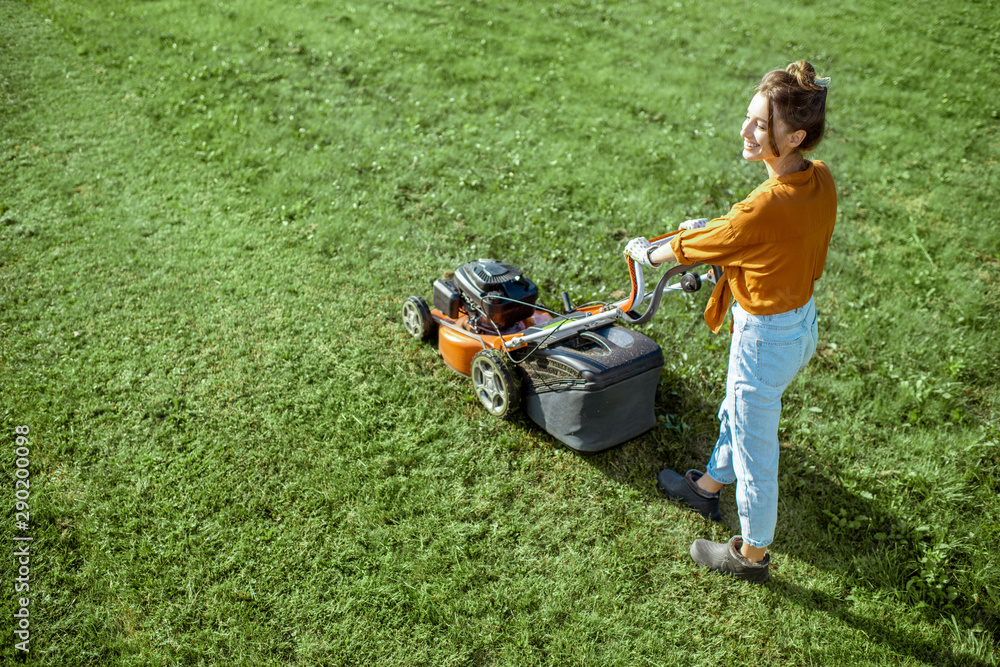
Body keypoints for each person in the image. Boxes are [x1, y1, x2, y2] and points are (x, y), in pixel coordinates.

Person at [624, 60, 837, 584]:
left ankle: (751, 555)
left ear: (795, 137)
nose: (746, 131)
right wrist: (722, 236)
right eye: (750, 117)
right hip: (798, 327)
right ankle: (708, 490)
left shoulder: (763, 206)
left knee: (755, 449)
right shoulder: (819, 178)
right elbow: (767, 240)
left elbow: (722, 237)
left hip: (766, 337)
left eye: (761, 125)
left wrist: (647, 255)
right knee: (738, 411)